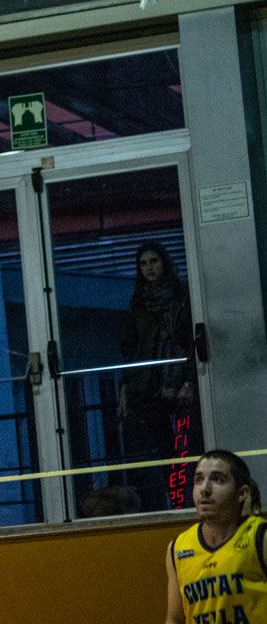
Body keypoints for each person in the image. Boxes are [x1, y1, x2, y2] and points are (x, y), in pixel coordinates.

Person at [119, 241, 201, 509]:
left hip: (178, 383)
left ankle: (191, 501)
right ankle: (177, 503)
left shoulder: (181, 296)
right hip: (148, 387)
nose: (149, 268)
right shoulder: (138, 303)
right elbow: (130, 347)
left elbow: (190, 341)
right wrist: (125, 386)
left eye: (154, 261)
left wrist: (189, 380)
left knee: (187, 447)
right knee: (165, 451)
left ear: (164, 263)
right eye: (143, 264)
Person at [164, 449, 266, 624]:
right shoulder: (177, 548)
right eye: (199, 480)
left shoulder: (260, 537)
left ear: (241, 493)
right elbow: (175, 618)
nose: (204, 489)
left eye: (217, 479)